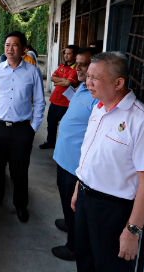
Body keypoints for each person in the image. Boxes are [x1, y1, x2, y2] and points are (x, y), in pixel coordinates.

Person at [71, 52, 144, 271]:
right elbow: (90, 156)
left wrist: (132, 231)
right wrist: (79, 187)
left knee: (110, 267)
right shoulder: (98, 109)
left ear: (118, 83)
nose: (88, 82)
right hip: (87, 200)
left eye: (95, 77)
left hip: (114, 211)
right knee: (85, 261)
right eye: (88, 76)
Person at [0, 31, 46, 223]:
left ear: (23, 49)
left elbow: (40, 102)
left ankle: (20, 205)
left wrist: (32, 128)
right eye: (7, 45)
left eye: (15, 45)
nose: (10, 49)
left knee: (20, 170)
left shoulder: (32, 72)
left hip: (21, 130)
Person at [50, 47, 101, 261]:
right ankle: (68, 223)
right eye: (77, 64)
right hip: (64, 159)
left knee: (74, 206)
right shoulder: (81, 88)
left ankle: (73, 247)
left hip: (76, 165)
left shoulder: (97, 98)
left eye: (84, 65)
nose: (78, 68)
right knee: (65, 200)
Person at [40, 44, 79, 149]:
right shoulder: (62, 66)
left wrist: (59, 81)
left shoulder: (76, 69)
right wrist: (63, 81)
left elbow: (67, 84)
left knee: (65, 126)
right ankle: (50, 142)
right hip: (54, 100)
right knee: (51, 123)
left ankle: (63, 146)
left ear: (75, 56)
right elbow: (52, 77)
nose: (66, 56)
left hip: (66, 102)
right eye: (65, 53)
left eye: (68, 54)